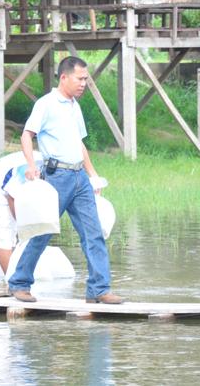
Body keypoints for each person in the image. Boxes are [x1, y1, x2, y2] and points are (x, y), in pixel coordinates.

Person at [8, 56, 124, 304]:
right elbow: (27, 135)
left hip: (79, 177)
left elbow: (78, 142)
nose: (84, 83)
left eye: (86, 79)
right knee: (43, 232)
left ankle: (99, 289)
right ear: (64, 77)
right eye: (80, 79)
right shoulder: (46, 104)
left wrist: (93, 176)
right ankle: (19, 283)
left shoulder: (74, 106)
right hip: (57, 176)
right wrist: (31, 166)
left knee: (93, 233)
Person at [0, 151, 42, 274]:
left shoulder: (56, 167)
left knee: (20, 234)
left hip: (12, 190)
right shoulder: (31, 167)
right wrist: (22, 224)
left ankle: (18, 278)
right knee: (4, 238)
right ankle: (12, 282)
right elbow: (12, 195)